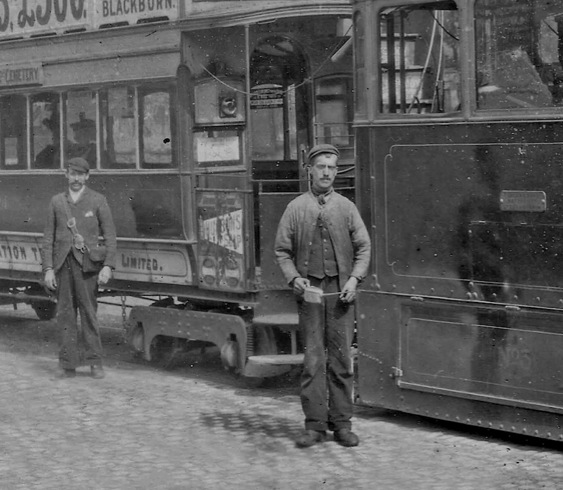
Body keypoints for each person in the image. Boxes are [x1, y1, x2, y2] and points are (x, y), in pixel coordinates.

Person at [274, 144, 371, 448]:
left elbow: (364, 248)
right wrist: (295, 278)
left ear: (336, 172)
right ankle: (314, 425)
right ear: (310, 170)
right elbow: (282, 251)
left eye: (332, 167)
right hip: (311, 297)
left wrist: (354, 280)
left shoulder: (346, 207)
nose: (327, 172)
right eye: (321, 167)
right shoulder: (296, 208)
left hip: (341, 296)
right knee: (314, 360)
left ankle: (341, 424)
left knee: (342, 360)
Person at [41, 157, 117, 379]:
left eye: (80, 174)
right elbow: (48, 238)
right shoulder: (56, 202)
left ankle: (95, 363)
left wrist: (108, 266)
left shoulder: (98, 200)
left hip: (88, 267)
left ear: (87, 176)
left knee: (89, 313)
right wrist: (47, 269)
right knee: (65, 315)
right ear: (66, 175)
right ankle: (67, 365)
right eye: (72, 174)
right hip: (63, 266)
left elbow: (111, 236)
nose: (76, 178)